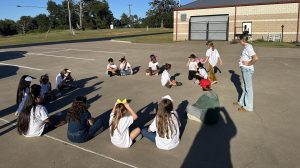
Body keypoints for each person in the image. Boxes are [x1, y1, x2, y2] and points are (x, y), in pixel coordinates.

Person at [234, 34, 259, 112]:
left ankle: (248, 107)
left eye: (239, 40)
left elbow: (255, 58)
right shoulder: (246, 47)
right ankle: (241, 102)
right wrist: (241, 59)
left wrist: (248, 63)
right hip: (245, 69)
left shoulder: (248, 47)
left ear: (242, 40)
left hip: (247, 70)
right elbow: (247, 57)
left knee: (248, 88)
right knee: (245, 87)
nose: (239, 41)